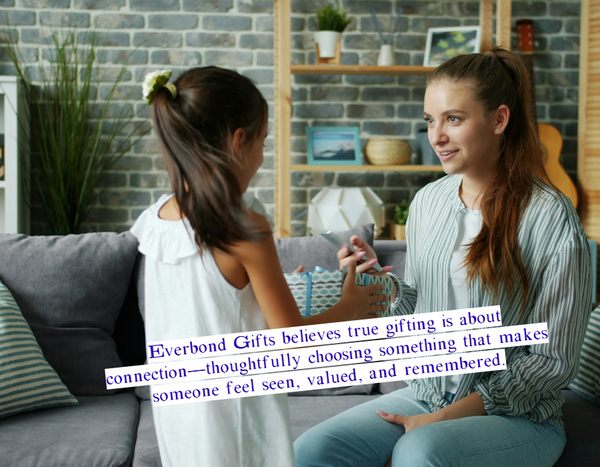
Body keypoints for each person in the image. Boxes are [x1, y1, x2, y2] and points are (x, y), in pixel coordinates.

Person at [294, 47, 593, 467]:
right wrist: (380, 283)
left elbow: (552, 361)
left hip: (517, 415)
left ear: (499, 119)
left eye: (453, 119)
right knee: (313, 449)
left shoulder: (550, 216)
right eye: (430, 120)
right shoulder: (427, 202)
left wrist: (445, 418)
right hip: (427, 394)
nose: (436, 137)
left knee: (420, 451)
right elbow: (419, 313)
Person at [129, 66, 388, 467]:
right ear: (238, 141)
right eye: (263, 141)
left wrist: (265, 288)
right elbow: (293, 342)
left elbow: (203, 304)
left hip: (181, 418)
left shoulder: (154, 221)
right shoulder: (243, 226)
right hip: (235, 419)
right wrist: (351, 306)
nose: (262, 155)